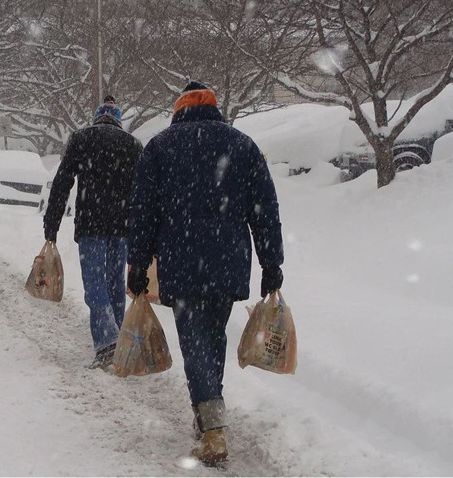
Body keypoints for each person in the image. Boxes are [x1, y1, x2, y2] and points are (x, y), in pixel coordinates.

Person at [126, 81, 284, 464]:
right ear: (214, 108)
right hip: (228, 261)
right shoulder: (242, 145)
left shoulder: (161, 146)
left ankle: (213, 429)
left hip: (182, 260)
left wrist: (138, 262)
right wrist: (271, 262)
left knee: (196, 341)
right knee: (211, 338)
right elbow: (264, 208)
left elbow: (143, 211)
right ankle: (207, 411)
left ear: (180, 109)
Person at [44, 98, 144, 369]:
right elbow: (144, 193)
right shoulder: (133, 145)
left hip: (91, 225)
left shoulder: (82, 139)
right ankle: (119, 343)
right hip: (121, 227)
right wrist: (144, 231)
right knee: (114, 284)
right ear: (118, 120)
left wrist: (51, 224)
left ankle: (107, 343)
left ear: (97, 117)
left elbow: (62, 182)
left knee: (95, 284)